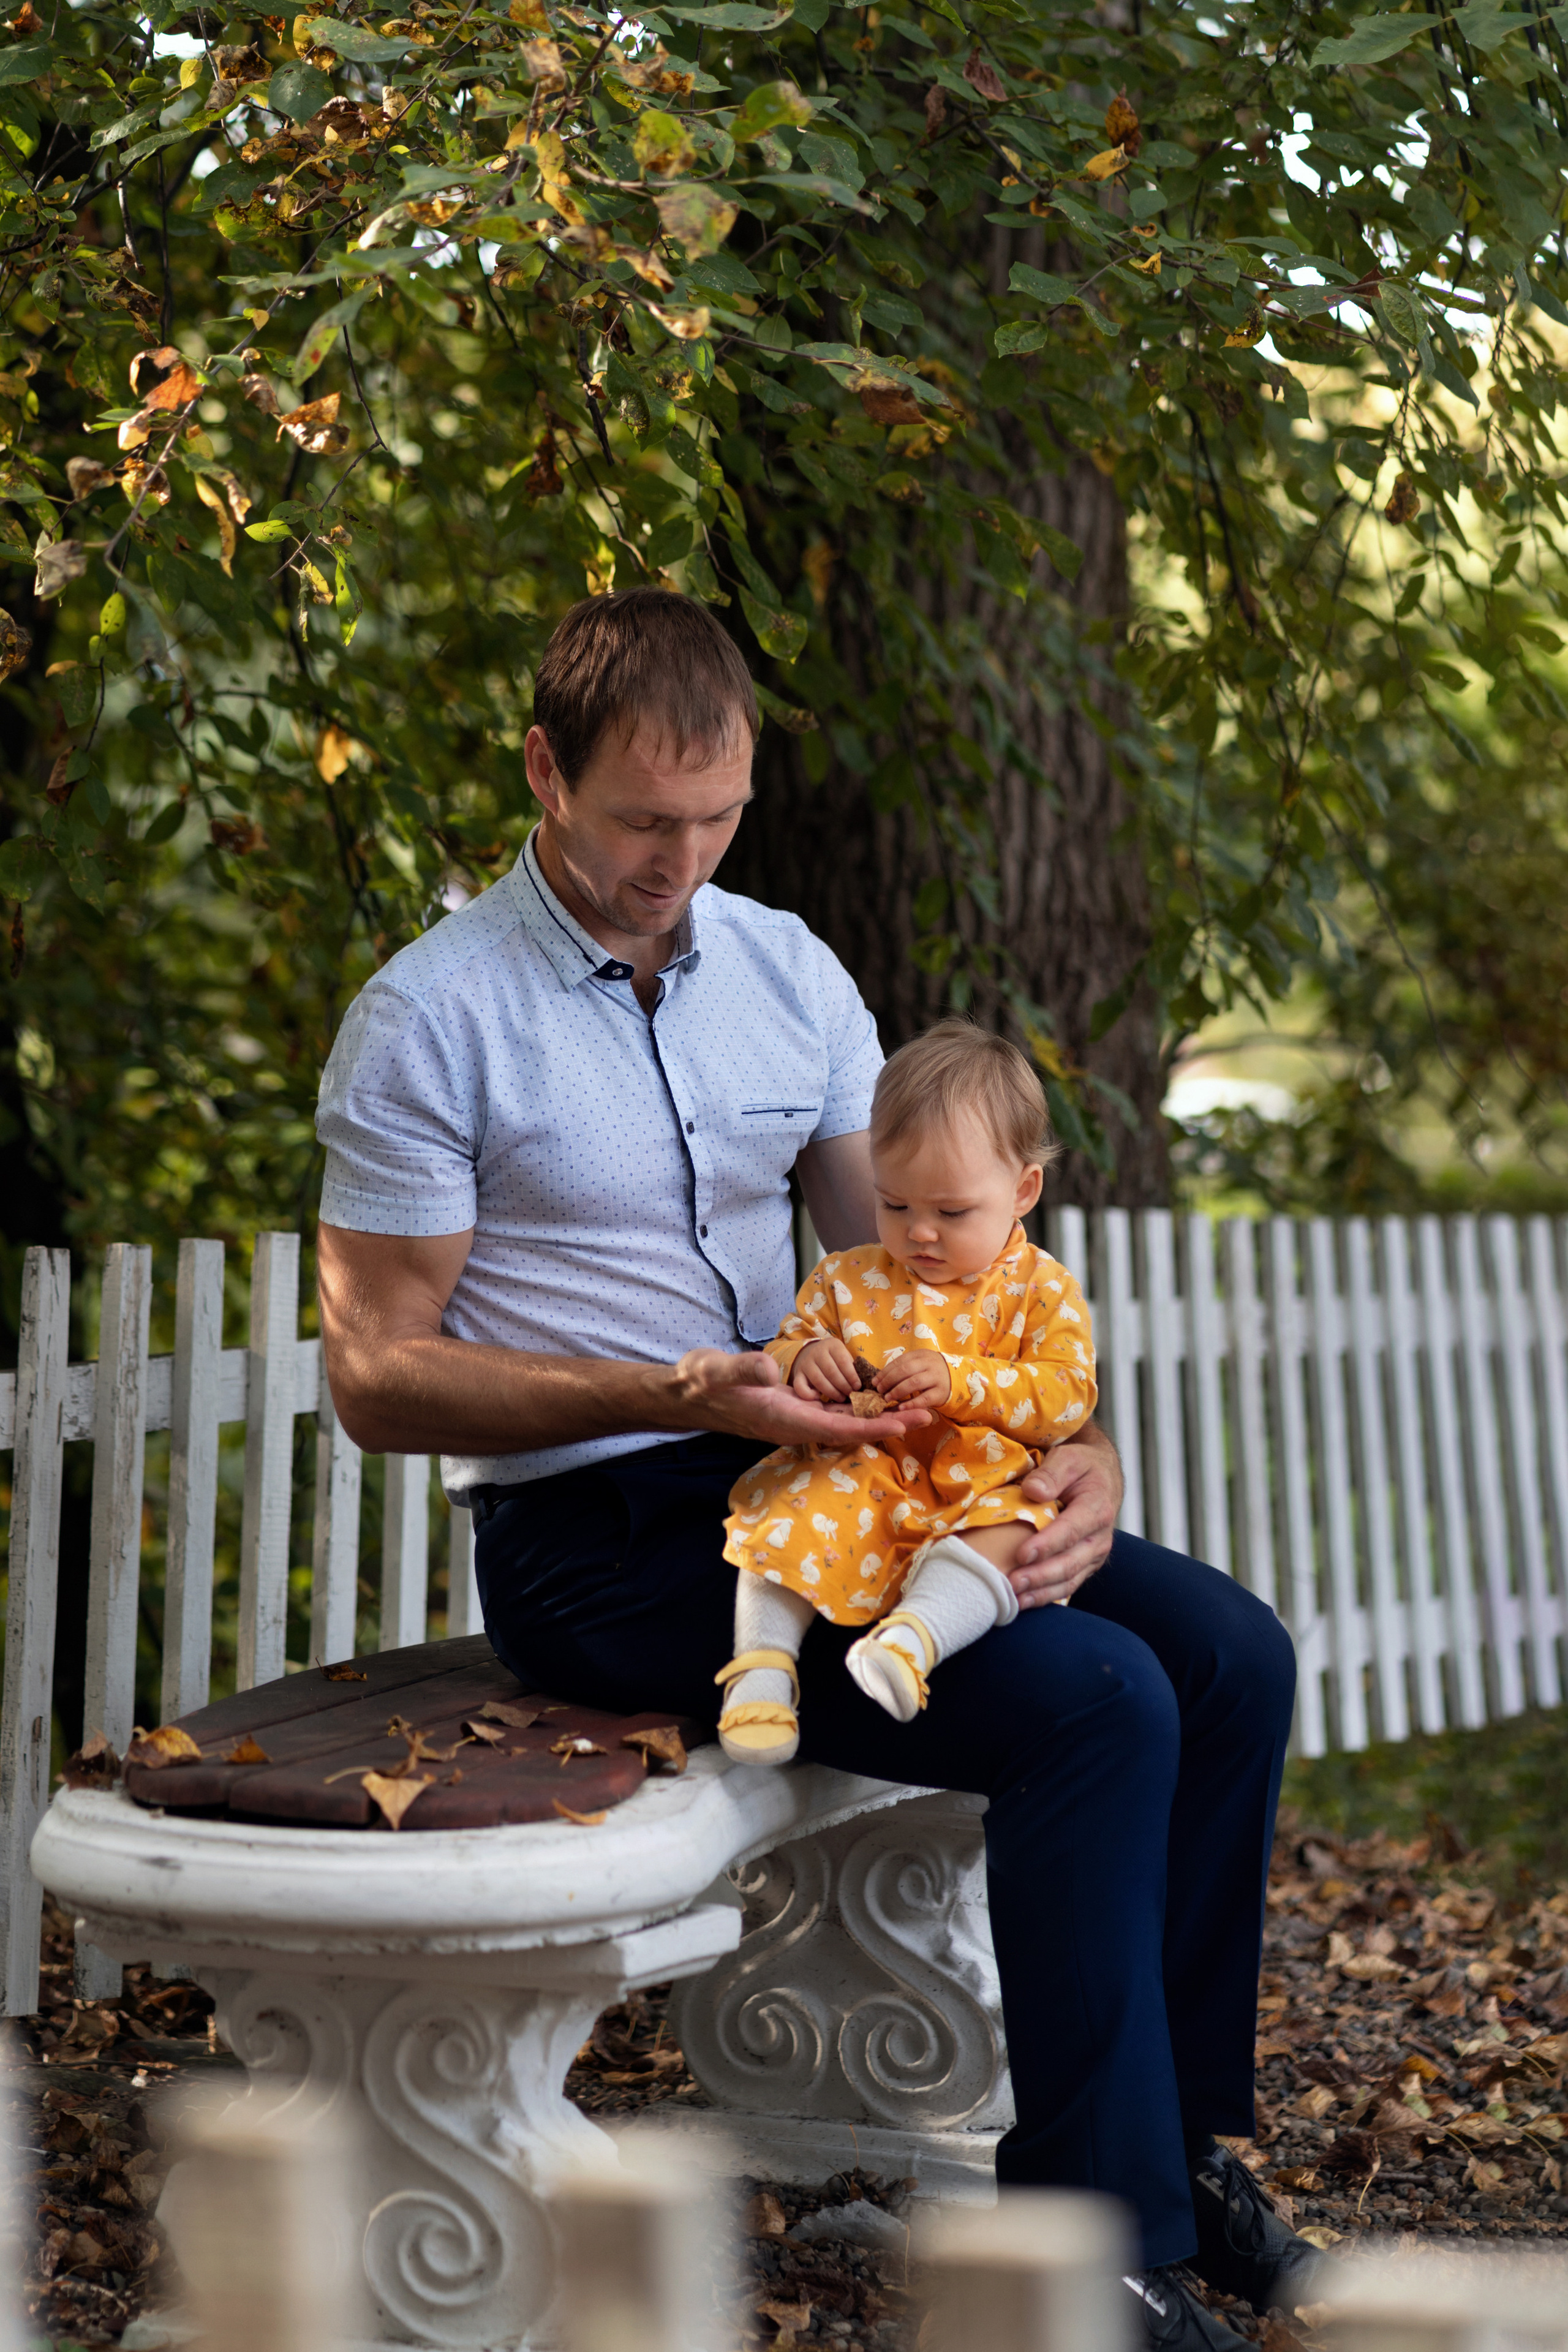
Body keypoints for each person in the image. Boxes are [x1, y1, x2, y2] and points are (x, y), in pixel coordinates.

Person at [315, 587, 1314, 2351]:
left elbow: (942, 1273)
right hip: (602, 1545)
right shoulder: (433, 1019)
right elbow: (379, 1377)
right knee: (1094, 1700)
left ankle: (1182, 2158)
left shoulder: (787, 970)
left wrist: (1072, 1449)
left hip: (843, 1490)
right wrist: (681, 1394)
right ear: (546, 773)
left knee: (1230, 1655)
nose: (676, 860)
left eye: (715, 820)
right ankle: (1092, 2260)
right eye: (641, 819)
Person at [716, 1020, 1098, 1766]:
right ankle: (760, 1673)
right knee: (790, 1506)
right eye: (894, 1205)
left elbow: (1067, 1394)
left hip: (979, 1486)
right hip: (862, 1473)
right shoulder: (848, 1277)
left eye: (951, 1213)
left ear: (1022, 1190)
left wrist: (964, 1381)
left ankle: (912, 1639)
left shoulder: (1038, 1290)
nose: (919, 1233)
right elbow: (791, 1338)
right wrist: (806, 1358)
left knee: (1024, 1527)